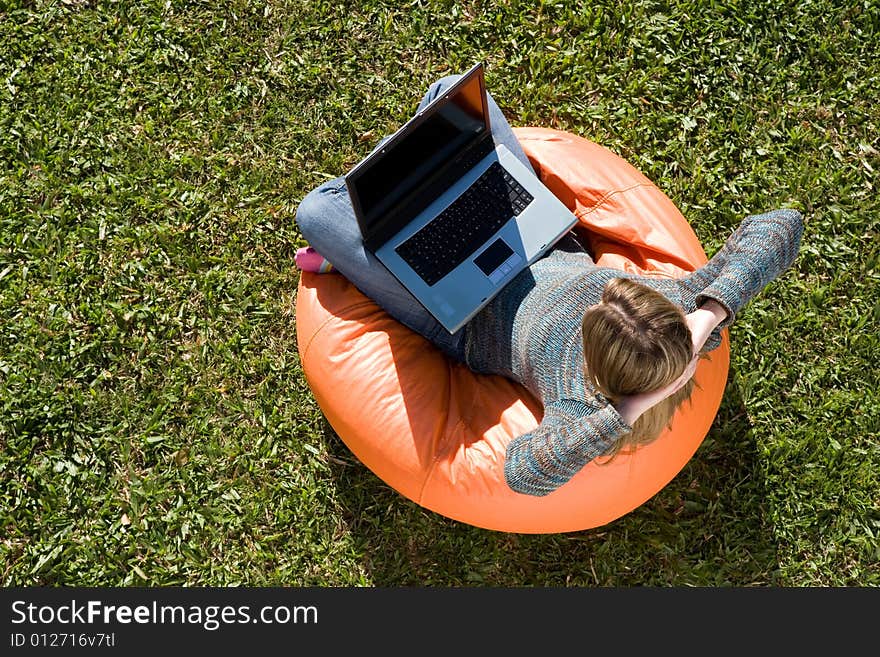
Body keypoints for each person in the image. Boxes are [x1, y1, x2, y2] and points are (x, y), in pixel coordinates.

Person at [295, 74, 804, 497]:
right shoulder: (679, 314)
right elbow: (780, 226)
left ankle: (386, 213)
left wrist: (626, 410)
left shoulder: (581, 407)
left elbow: (524, 475)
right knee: (451, 90)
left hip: (460, 315)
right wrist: (708, 313)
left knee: (316, 210)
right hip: (534, 239)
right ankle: (403, 199)